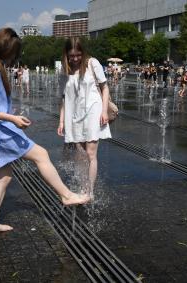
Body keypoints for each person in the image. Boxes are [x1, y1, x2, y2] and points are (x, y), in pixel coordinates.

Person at [0, 28, 90, 235]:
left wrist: (9, 112)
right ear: (8, 52)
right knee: (41, 155)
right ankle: (66, 195)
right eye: (14, 55)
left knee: (4, 177)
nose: (14, 60)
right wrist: (12, 118)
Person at [57, 37, 112, 197]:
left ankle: (90, 190)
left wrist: (103, 111)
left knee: (90, 154)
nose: (75, 59)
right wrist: (61, 121)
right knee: (80, 154)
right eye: (71, 55)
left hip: (93, 111)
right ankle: (83, 186)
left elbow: (105, 87)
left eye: (78, 55)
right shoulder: (64, 69)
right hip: (74, 114)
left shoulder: (92, 63)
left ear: (83, 53)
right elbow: (63, 97)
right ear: (66, 54)